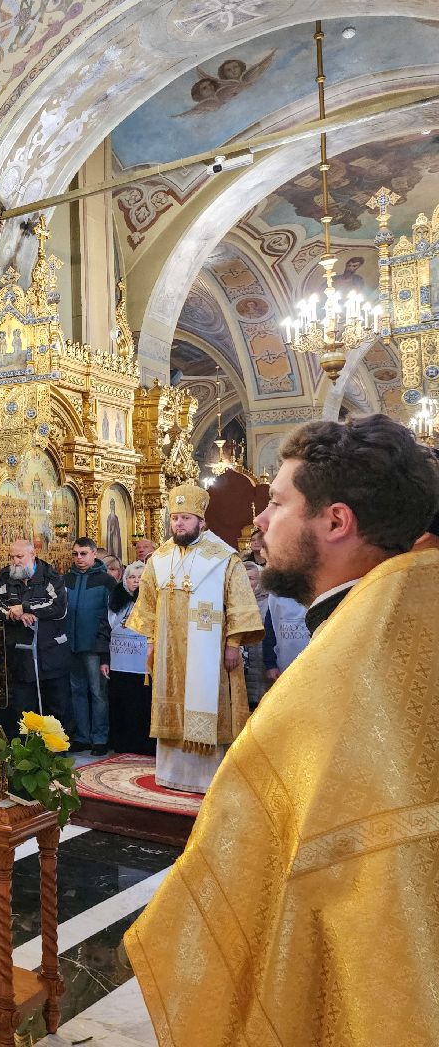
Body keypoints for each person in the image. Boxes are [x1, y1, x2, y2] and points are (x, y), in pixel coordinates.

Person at [126, 415, 439, 1044]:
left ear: (335, 521)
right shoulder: (408, 625)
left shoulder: (343, 678)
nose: (260, 523)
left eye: (275, 501)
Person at [128, 483, 263, 793]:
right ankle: (172, 774)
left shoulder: (224, 558)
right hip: (168, 653)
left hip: (211, 653)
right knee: (172, 707)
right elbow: (147, 603)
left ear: (202, 521)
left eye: (186, 519)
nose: (179, 524)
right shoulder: (159, 558)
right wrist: (150, 643)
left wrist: (233, 644)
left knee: (208, 704)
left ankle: (208, 778)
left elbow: (240, 603)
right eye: (175, 519)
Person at [0, 539, 70, 737]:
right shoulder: (5, 577)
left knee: (55, 703)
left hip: (50, 652)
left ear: (33, 555)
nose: (15, 561)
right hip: (19, 654)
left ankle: (56, 747)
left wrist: (26, 607)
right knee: (23, 705)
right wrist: (15, 613)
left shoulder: (51, 576)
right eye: (12, 557)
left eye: (20, 557)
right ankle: (26, 748)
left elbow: (59, 608)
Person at [64, 537, 118, 754]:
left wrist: (104, 648)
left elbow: (111, 617)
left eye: (84, 553)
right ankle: (82, 736)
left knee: (98, 693)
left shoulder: (106, 581)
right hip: (71, 645)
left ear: (94, 554)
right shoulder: (65, 579)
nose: (79, 558)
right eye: (76, 554)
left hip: (95, 645)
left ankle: (100, 738)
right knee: (76, 691)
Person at [102, 562, 154, 754]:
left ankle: (143, 743)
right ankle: (121, 742)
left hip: (142, 663)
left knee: (141, 702)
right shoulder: (116, 598)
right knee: (120, 701)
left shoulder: (151, 601)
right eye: (132, 577)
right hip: (118, 661)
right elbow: (106, 628)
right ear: (125, 579)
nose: (136, 581)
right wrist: (104, 659)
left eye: (140, 578)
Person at [260, 590, 310, 694]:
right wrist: (271, 665)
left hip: (312, 660)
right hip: (283, 664)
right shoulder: (275, 597)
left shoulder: (318, 590)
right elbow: (269, 632)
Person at [240, 560, 270, 709]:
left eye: (251, 578)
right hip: (245, 662)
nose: (247, 582)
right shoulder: (236, 602)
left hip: (264, 659)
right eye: (243, 578)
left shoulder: (270, 602)